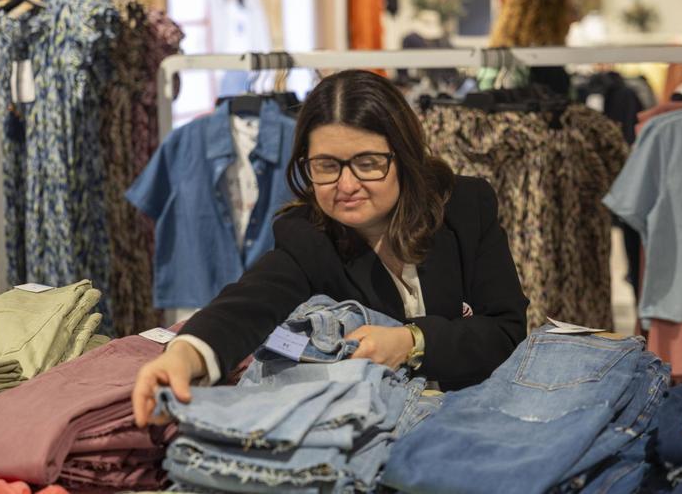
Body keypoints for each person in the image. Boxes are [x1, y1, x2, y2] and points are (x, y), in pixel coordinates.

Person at [132, 69, 529, 427]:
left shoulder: (464, 207)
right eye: (326, 166)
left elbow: (505, 330)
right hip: (374, 433)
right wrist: (185, 355)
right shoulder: (308, 235)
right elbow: (247, 303)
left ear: (403, 155)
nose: (347, 185)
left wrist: (413, 342)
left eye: (368, 162)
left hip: (481, 416)